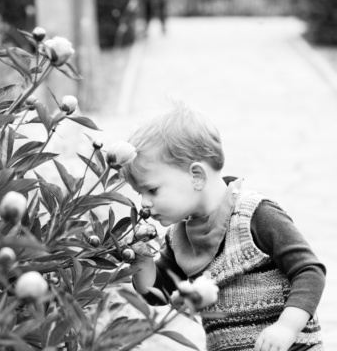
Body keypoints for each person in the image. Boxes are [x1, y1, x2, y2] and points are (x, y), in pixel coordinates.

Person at [122, 102, 325, 351]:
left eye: (152, 190)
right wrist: (140, 259)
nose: (144, 203)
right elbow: (157, 294)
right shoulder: (179, 238)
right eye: (139, 193)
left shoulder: (256, 215)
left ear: (196, 176)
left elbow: (309, 271)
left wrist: (286, 327)